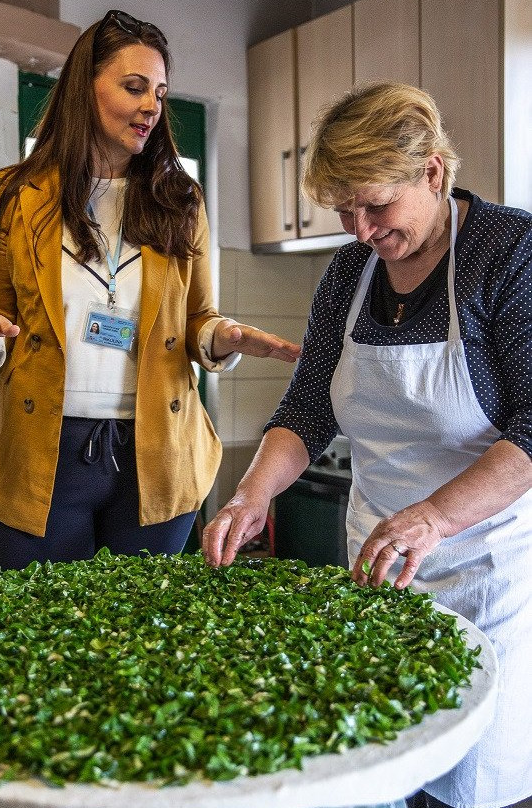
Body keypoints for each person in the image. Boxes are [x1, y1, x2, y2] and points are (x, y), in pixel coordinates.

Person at [203, 82, 532, 808]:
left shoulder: (510, 251)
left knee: (471, 781)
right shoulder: (350, 273)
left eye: (375, 206)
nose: (358, 231)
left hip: (485, 569)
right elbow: (307, 408)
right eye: (343, 211)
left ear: (432, 172)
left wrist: (434, 517)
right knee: (379, 766)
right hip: (376, 571)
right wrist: (252, 495)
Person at [0, 9, 300, 574]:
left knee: (143, 620)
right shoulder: (14, 193)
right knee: (35, 617)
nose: (151, 107)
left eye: (160, 94)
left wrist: (224, 338)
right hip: (41, 448)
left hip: (157, 452)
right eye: (134, 87)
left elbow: (199, 318)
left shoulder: (180, 201)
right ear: (84, 88)